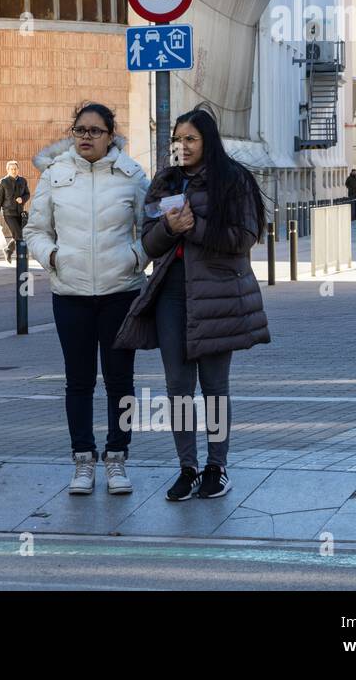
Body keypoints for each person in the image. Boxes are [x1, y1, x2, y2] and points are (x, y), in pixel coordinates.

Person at [115, 108, 270, 501]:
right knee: (178, 387)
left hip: (218, 295)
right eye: (177, 140)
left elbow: (244, 237)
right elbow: (148, 242)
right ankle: (188, 467)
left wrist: (194, 227)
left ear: (208, 141)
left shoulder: (233, 180)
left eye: (191, 140)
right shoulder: (165, 181)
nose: (182, 147)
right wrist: (169, 228)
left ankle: (217, 467)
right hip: (172, 294)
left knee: (215, 387)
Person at [24, 103, 149, 497]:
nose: (86, 138)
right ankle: (82, 459)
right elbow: (35, 230)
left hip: (120, 292)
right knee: (78, 382)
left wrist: (135, 258)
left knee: (119, 381)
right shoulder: (55, 176)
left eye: (96, 131)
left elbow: (151, 229)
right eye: (80, 130)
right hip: (71, 294)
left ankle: (116, 458)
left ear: (111, 135)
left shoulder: (131, 176)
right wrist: (54, 258)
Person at [0, 161, 30, 263]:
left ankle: (8, 250)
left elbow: (27, 194)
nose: (14, 171)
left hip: (20, 212)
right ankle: (22, 258)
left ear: (18, 169)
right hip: (9, 213)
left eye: (15, 169)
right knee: (18, 235)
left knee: (19, 235)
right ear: (8, 170)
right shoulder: (3, 182)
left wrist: (22, 199)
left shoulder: (23, 181)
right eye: (11, 169)